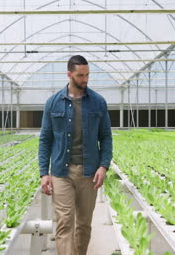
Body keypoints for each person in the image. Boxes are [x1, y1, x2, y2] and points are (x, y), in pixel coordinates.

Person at [38, 55, 113, 255]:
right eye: (80, 75)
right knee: (64, 224)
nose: (85, 79)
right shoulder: (53, 103)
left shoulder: (98, 102)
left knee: (83, 224)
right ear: (69, 74)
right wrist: (44, 173)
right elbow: (45, 139)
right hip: (62, 172)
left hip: (89, 172)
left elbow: (106, 137)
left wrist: (104, 166)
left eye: (87, 75)